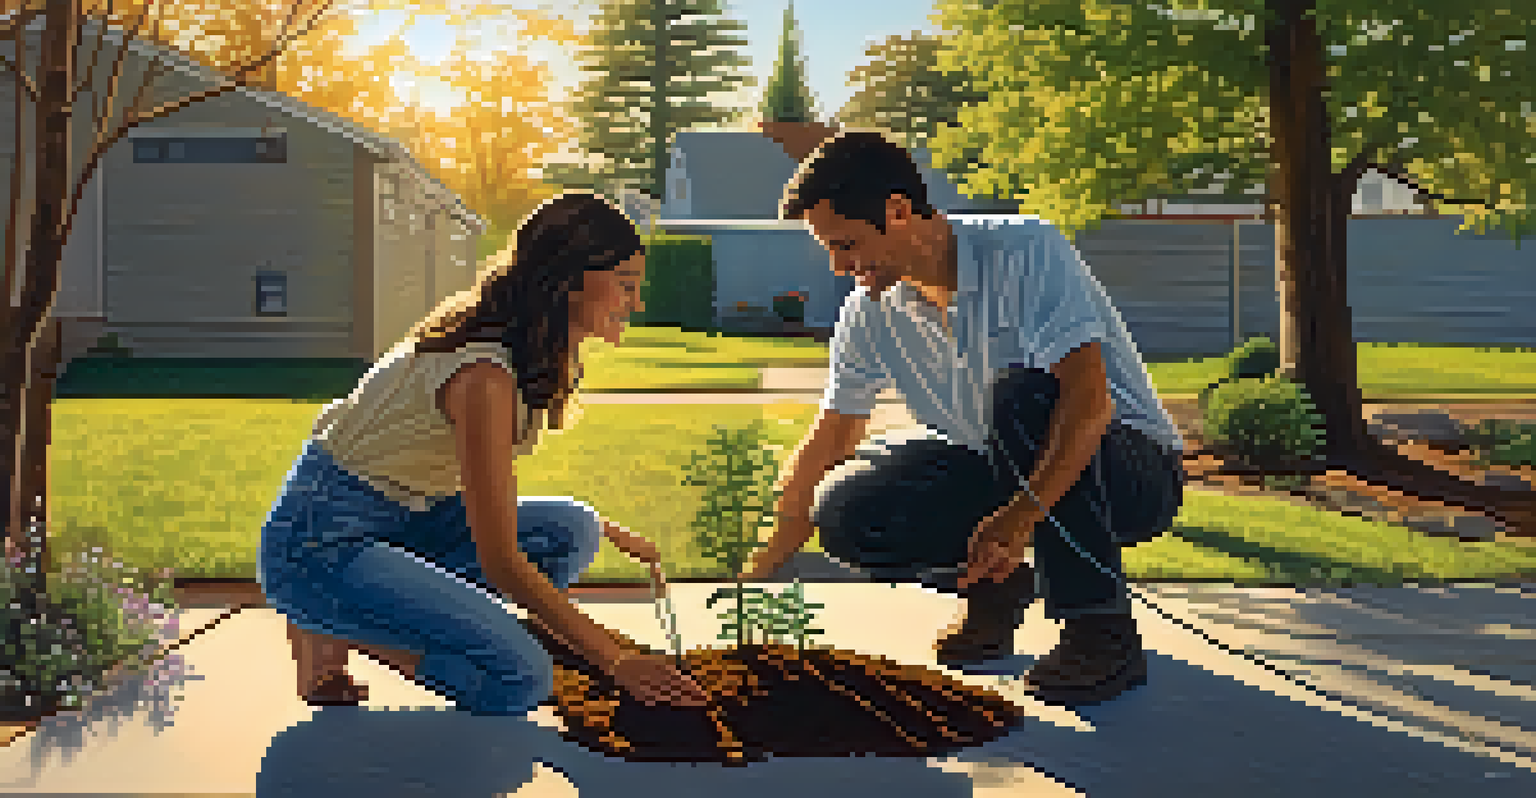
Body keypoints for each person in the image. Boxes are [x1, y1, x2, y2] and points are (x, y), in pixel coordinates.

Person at [739, 131, 1187, 707]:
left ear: (897, 211)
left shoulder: (1023, 250)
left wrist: (1020, 517)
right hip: (1006, 474)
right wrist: (764, 561)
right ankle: (997, 591)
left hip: (1128, 472)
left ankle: (1099, 630)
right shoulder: (870, 310)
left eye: (846, 244)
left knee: (1023, 395)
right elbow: (834, 436)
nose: (838, 265)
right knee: (848, 506)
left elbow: (1089, 403)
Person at [258, 192, 709, 713]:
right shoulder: (484, 378)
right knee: (520, 680)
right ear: (568, 281)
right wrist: (613, 658)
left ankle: (390, 611)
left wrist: (607, 531)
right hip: (320, 542)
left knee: (575, 528)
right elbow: (501, 562)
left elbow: (466, 486)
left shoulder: (528, 348)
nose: (637, 303)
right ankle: (336, 625)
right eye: (626, 286)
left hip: (410, 518)